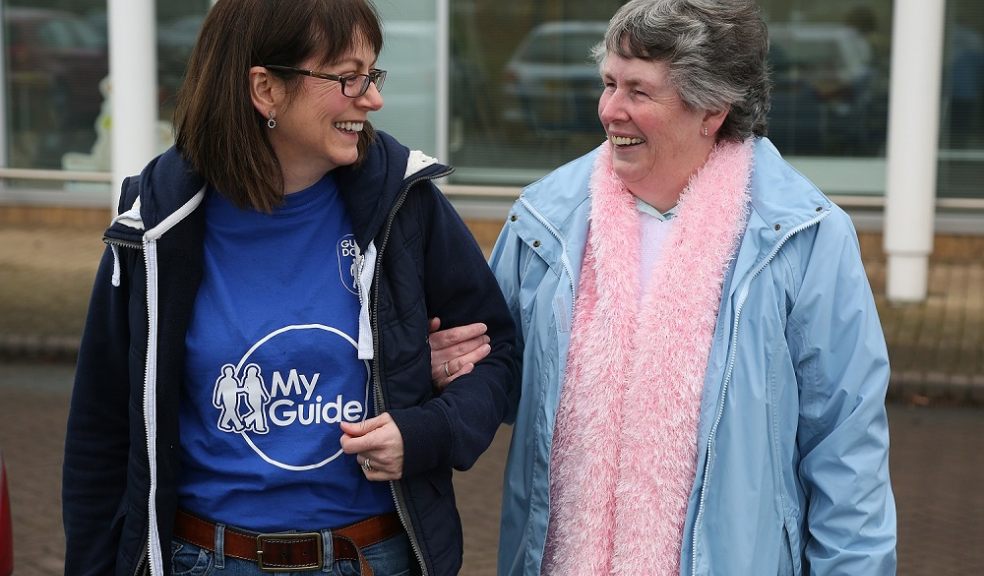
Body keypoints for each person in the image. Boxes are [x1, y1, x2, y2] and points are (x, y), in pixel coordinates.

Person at [431, 0, 897, 573]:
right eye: (608, 83)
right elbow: (502, 372)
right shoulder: (543, 223)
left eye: (638, 91)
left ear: (712, 110)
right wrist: (451, 367)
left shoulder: (803, 239)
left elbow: (847, 453)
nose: (609, 110)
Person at [61, 0, 517, 574]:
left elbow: (495, 352)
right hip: (201, 559)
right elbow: (100, 431)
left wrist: (428, 431)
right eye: (348, 77)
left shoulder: (405, 205)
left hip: (372, 558)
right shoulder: (155, 223)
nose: (372, 99)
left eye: (372, 75)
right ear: (265, 90)